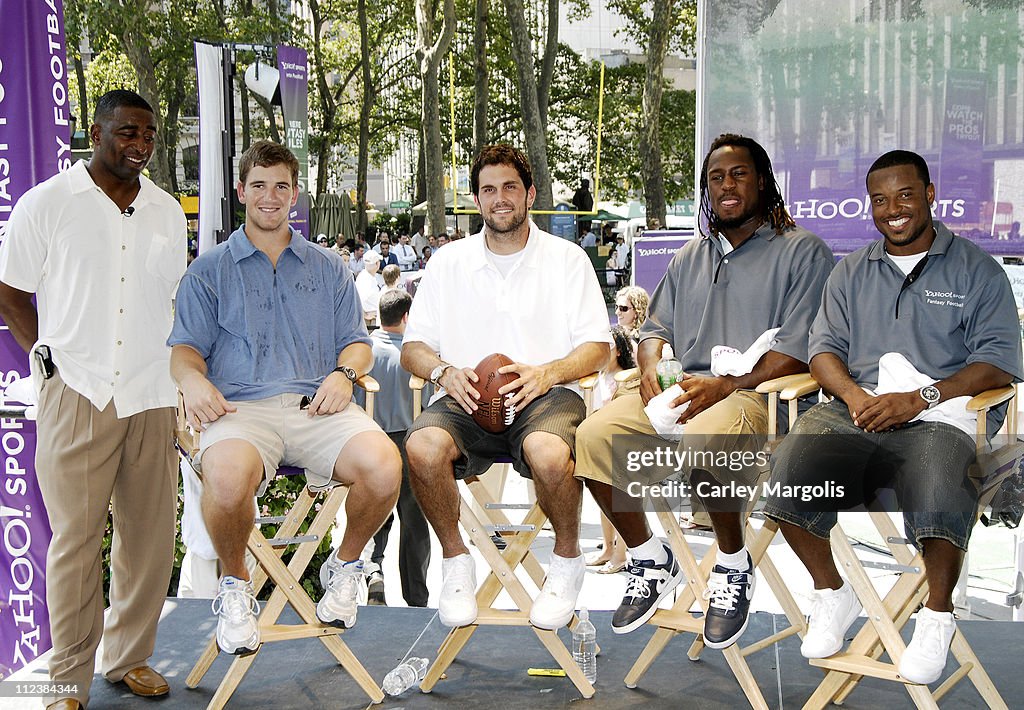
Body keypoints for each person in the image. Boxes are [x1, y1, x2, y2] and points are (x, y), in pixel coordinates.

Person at [763, 150, 1022, 683]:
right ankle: (833, 593)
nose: (893, 209)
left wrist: (922, 397)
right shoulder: (852, 271)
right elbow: (823, 353)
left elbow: (998, 362)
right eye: (880, 200)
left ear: (930, 195)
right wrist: (856, 399)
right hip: (860, 411)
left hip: (943, 414)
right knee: (787, 472)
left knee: (940, 474)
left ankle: (937, 614)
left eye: (905, 195)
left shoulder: (978, 269)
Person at [575, 133, 834, 648]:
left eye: (738, 174)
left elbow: (803, 348)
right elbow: (656, 330)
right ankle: (650, 557)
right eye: (716, 178)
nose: (727, 185)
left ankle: (733, 565)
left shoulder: (803, 250)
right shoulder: (691, 254)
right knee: (591, 436)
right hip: (683, 390)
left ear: (762, 182)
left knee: (706, 438)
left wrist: (728, 383)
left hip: (758, 396)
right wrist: (649, 364)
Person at [168, 140, 402, 656]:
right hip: (238, 412)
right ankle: (235, 588)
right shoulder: (209, 270)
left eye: (281, 187)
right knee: (226, 482)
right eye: (259, 186)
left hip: (317, 407)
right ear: (240, 192)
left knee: (385, 465)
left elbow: (358, 345)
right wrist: (193, 381)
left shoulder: (327, 267)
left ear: (295, 195)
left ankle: (344, 568)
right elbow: (183, 351)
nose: (270, 197)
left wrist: (345, 373)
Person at [0, 89, 186, 709]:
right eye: (128, 132)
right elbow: (9, 292)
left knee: (151, 538)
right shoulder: (47, 204)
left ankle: (128, 657)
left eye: (149, 136)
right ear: (96, 129)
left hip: (152, 392)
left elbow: (174, 301)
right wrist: (45, 357)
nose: (140, 146)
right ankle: (65, 682)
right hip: (76, 391)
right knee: (76, 544)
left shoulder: (164, 210)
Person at [401, 144, 611, 630]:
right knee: (422, 447)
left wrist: (548, 373)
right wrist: (442, 371)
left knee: (551, 454)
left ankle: (565, 561)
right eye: (488, 189)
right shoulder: (448, 262)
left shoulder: (567, 259)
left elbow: (597, 347)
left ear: (530, 194)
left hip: (545, 395)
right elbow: (414, 346)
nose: (500, 198)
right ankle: (455, 560)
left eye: (510, 187)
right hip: (465, 396)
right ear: (476, 199)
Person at [354, 290, 432, 607]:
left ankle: (374, 575)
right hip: (407, 439)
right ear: (405, 317)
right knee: (413, 522)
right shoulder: (415, 357)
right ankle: (416, 596)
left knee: (374, 516)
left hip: (370, 437)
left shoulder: (364, 352)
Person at [585, 326, 636, 575]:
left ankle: (620, 554)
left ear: (618, 351)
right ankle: (608, 548)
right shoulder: (594, 379)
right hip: (599, 444)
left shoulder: (626, 379)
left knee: (620, 500)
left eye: (610, 346)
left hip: (620, 445)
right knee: (603, 501)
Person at [356, 249, 383, 326]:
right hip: (369, 319)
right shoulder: (365, 278)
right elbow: (361, 299)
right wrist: (365, 315)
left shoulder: (367, 276)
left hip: (372, 317)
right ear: (377, 263)